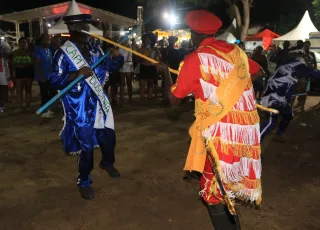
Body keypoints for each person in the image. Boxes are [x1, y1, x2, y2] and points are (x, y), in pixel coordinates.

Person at [160, 10, 264, 229]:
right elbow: (259, 72)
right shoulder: (236, 51)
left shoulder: (195, 59)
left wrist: (164, 72)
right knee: (227, 183)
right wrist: (235, 89)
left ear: (193, 33)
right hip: (245, 130)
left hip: (220, 133)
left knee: (212, 191)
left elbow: (173, 99)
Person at [48, 14, 124, 200]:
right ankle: (84, 181)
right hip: (79, 106)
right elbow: (53, 79)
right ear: (71, 31)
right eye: (81, 29)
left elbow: (110, 67)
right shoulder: (63, 53)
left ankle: (107, 162)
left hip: (99, 101)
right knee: (86, 145)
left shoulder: (95, 49)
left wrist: (117, 58)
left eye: (87, 28)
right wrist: (75, 75)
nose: (85, 32)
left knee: (108, 134)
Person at [260, 50, 320, 142]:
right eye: (307, 61)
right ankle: (254, 144)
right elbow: (314, 73)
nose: (308, 63)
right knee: (270, 122)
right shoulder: (298, 65)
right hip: (274, 97)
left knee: (288, 115)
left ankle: (278, 135)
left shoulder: (288, 64)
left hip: (279, 97)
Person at [33, 33, 55, 117]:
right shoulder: (38, 50)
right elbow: (36, 64)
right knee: (44, 94)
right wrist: (41, 76)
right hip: (42, 76)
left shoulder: (49, 50)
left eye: (49, 39)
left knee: (53, 92)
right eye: (46, 39)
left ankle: (47, 108)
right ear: (42, 40)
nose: (48, 41)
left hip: (49, 75)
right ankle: (44, 111)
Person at [11, 37, 34, 111]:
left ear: (27, 44)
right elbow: (13, 64)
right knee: (19, 90)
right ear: (19, 44)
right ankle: (19, 106)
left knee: (28, 90)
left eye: (24, 42)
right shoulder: (15, 53)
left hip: (29, 73)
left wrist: (25, 65)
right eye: (21, 43)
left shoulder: (31, 52)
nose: (23, 44)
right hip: (19, 73)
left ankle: (28, 106)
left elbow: (34, 63)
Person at [137, 32, 160, 100]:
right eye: (146, 39)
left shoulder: (155, 49)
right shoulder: (141, 49)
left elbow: (157, 59)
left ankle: (149, 98)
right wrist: (145, 53)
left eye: (149, 39)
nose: (147, 40)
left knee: (151, 84)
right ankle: (142, 99)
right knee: (142, 84)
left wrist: (157, 55)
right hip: (143, 67)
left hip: (152, 67)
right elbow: (138, 59)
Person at [118, 36, 134, 104]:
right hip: (123, 65)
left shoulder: (129, 48)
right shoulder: (119, 48)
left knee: (128, 83)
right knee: (122, 83)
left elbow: (131, 56)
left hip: (128, 65)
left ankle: (130, 98)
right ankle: (123, 98)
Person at [0, 39, 12, 113]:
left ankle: (1, 105)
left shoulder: (4, 44)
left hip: (3, 70)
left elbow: (9, 53)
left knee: (3, 88)